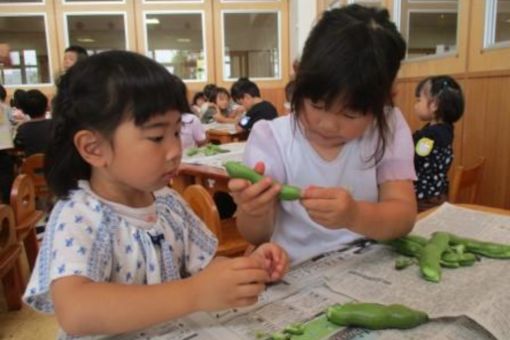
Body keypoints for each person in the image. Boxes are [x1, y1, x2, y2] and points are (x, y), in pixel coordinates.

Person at [22, 50, 288, 337]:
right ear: (94, 148)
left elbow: (206, 267)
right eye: (157, 137)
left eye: (176, 132)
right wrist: (194, 294)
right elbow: (76, 311)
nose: (175, 150)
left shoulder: (168, 202)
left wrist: (246, 270)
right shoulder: (78, 214)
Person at [228, 4, 417, 265]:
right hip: (296, 270)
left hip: (370, 265)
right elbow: (256, 235)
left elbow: (404, 215)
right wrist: (253, 210)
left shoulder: (389, 128)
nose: (327, 125)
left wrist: (354, 216)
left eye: (349, 114)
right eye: (316, 104)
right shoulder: (272, 138)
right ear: (299, 78)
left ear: (385, 100)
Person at [413, 75, 464, 212]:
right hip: (439, 194)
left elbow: (414, 158)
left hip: (423, 199)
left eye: (419, 100)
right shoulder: (446, 130)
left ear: (434, 105)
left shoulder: (430, 136)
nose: (415, 105)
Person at [14, 89, 52, 156]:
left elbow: (18, 147)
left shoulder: (22, 129)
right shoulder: (56, 125)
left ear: (24, 110)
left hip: (32, 165)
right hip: (55, 164)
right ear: (47, 107)